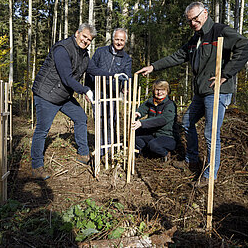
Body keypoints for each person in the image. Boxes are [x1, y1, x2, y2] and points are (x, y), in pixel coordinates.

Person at [137, 2, 248, 188]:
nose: (192, 22)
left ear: (205, 13)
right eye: (189, 20)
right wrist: (153, 67)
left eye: (195, 18)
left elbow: (246, 47)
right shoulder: (195, 39)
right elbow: (177, 56)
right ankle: (191, 159)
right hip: (201, 92)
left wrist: (225, 74)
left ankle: (210, 175)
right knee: (187, 122)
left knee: (210, 133)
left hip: (217, 91)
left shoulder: (220, 31)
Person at [30, 23, 120, 180]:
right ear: (77, 33)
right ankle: (36, 167)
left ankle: (83, 154)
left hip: (63, 95)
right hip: (46, 94)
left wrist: (113, 75)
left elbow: (94, 70)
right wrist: (85, 90)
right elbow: (66, 77)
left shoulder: (84, 55)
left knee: (81, 118)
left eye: (89, 39)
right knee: (42, 130)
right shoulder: (62, 49)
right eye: (84, 37)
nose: (85, 41)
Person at [85, 28, 132, 156]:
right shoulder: (101, 52)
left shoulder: (126, 59)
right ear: (112, 39)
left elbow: (128, 76)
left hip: (113, 93)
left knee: (111, 120)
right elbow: (90, 69)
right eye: (117, 39)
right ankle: (100, 148)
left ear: (125, 42)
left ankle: (110, 146)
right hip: (98, 91)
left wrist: (126, 86)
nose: (119, 42)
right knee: (99, 119)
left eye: (122, 40)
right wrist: (87, 89)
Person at [132, 80, 177, 162]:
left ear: (167, 91)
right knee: (135, 137)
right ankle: (148, 155)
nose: (159, 92)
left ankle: (165, 154)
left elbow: (162, 120)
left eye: (163, 90)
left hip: (167, 136)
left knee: (154, 145)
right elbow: (142, 110)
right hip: (153, 134)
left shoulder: (170, 105)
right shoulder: (151, 102)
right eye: (157, 90)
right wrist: (137, 113)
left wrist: (142, 123)